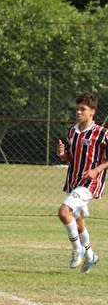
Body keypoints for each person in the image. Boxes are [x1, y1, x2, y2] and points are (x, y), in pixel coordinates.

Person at [56, 90, 108, 274]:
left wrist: (96, 170)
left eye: (83, 109)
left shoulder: (102, 133)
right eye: (77, 109)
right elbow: (72, 159)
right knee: (78, 224)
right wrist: (63, 155)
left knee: (63, 212)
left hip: (90, 184)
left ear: (92, 112)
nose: (78, 112)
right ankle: (91, 255)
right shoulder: (72, 132)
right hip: (74, 181)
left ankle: (77, 249)